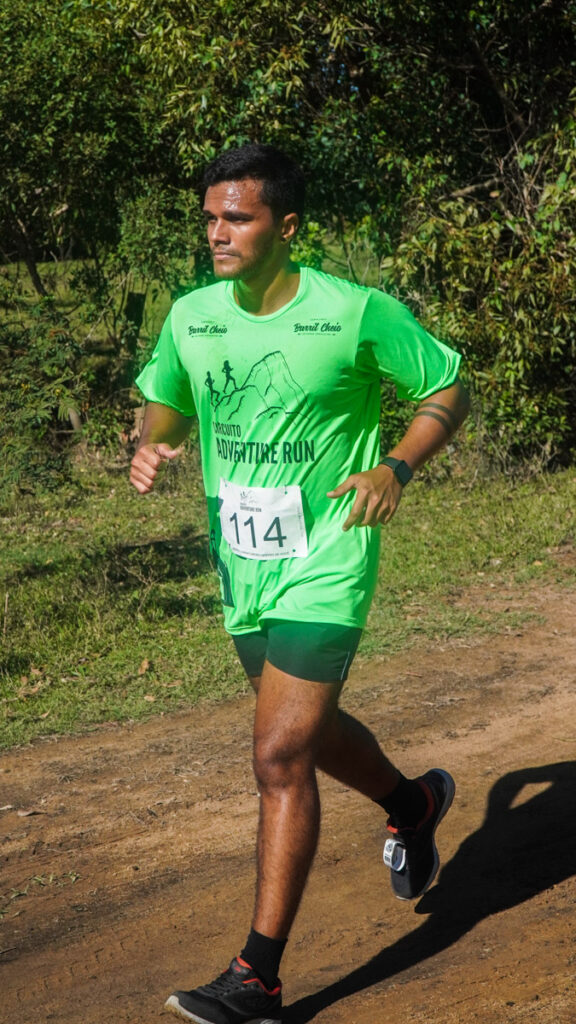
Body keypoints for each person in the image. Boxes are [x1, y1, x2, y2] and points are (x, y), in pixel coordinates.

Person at [130, 143, 470, 1024]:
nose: (218, 233)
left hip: (328, 555)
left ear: (286, 227)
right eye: (210, 218)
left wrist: (396, 465)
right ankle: (412, 802)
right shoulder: (193, 316)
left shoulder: (352, 311)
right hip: (244, 562)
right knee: (306, 737)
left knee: (278, 753)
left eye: (237, 218)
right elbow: (169, 398)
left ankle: (258, 978)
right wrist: (155, 440)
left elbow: (446, 389)